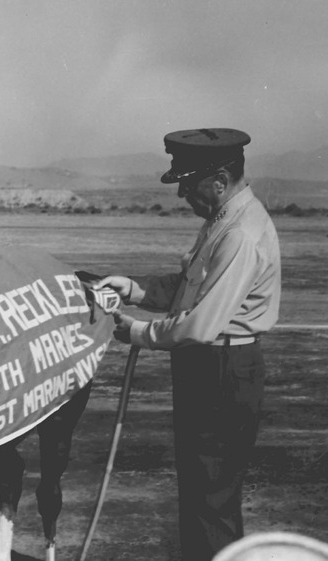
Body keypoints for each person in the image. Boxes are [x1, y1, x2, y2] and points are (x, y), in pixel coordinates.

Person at [90, 128, 281, 561]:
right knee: (204, 491)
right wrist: (135, 290)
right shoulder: (222, 221)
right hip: (211, 364)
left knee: (210, 494)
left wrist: (137, 332)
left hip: (221, 365)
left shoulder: (239, 234)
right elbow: (190, 287)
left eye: (186, 182)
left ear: (217, 180)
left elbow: (199, 324)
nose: (180, 194)